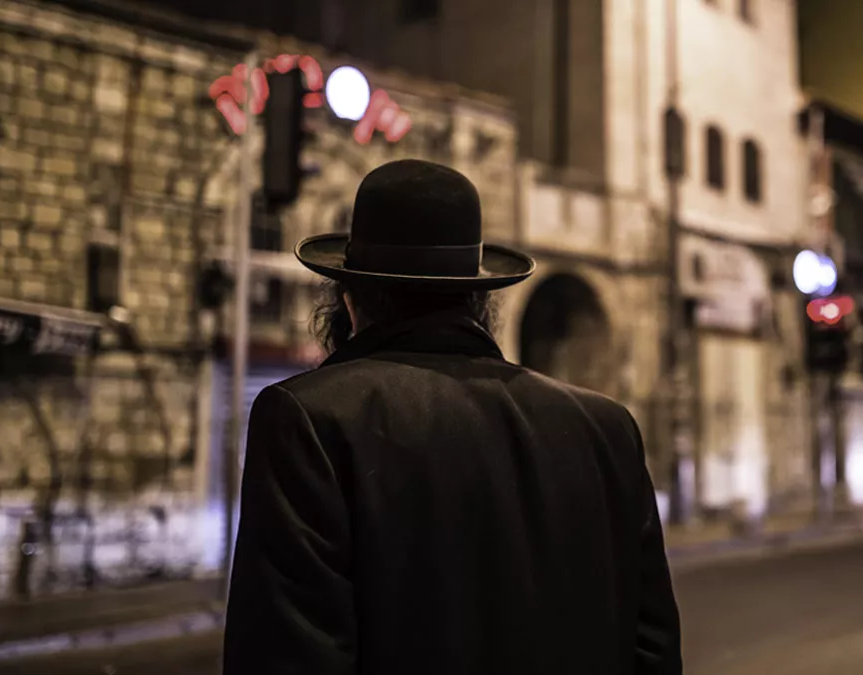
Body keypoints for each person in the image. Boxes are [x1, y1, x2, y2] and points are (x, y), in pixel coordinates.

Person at [222, 159, 682, 675]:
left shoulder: (308, 420)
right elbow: (653, 651)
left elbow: (287, 653)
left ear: (349, 304)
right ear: (479, 300)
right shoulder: (607, 430)